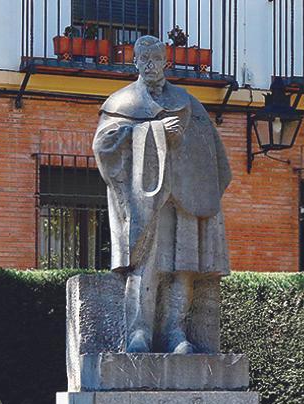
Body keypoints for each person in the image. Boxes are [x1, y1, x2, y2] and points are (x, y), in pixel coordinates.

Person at [93, 35, 231, 354]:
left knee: (184, 267)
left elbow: (212, 153)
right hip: (147, 202)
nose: (151, 65)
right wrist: (151, 132)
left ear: (166, 61)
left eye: (157, 59)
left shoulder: (188, 102)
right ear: (135, 62)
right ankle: (138, 333)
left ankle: (175, 333)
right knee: (146, 266)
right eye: (145, 59)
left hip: (184, 199)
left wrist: (185, 151)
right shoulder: (122, 103)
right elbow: (103, 146)